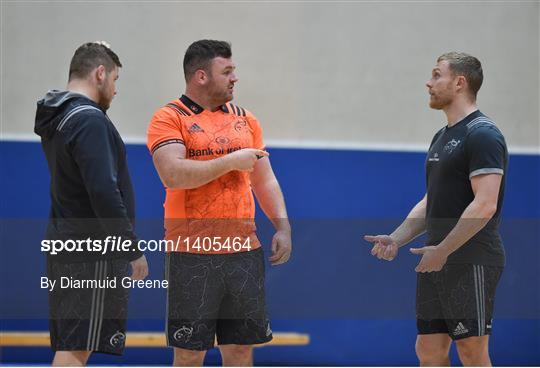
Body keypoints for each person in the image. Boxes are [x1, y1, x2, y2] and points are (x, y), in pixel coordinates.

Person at [147, 39, 292, 366]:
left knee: (241, 350)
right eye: (226, 71)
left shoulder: (246, 120)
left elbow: (264, 179)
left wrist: (282, 226)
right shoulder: (170, 118)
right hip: (191, 253)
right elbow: (172, 174)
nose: (234, 78)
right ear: (201, 76)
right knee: (189, 353)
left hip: (243, 253)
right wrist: (229, 161)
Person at [364, 52, 507, 366]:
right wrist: (396, 238)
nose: (428, 83)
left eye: (436, 75)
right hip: (437, 259)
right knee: (428, 351)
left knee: (471, 351)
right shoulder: (441, 137)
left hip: (471, 260)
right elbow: (432, 201)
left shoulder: (482, 134)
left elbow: (485, 204)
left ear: (459, 82)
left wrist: (444, 249)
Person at [34, 41, 148, 366]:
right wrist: (131, 248)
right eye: (114, 80)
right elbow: (103, 190)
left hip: (67, 245)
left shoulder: (59, 117)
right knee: (77, 347)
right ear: (100, 73)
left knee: (72, 344)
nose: (115, 90)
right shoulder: (89, 120)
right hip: (91, 252)